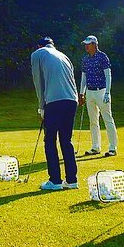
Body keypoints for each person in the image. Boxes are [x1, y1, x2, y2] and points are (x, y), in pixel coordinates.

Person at [30, 37, 78, 191]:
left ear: (39, 46)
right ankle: (72, 180)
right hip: (72, 100)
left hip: (55, 101)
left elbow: (38, 81)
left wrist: (41, 107)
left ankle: (55, 180)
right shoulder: (64, 56)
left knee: (50, 140)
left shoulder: (38, 54)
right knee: (66, 140)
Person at [78, 34, 118, 156]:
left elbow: (108, 75)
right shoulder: (85, 59)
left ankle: (112, 147)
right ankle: (95, 146)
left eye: (88, 44)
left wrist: (107, 92)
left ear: (94, 45)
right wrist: (81, 93)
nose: (86, 47)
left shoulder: (102, 57)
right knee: (93, 121)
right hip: (90, 92)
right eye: (85, 44)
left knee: (107, 119)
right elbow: (84, 76)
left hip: (101, 91)